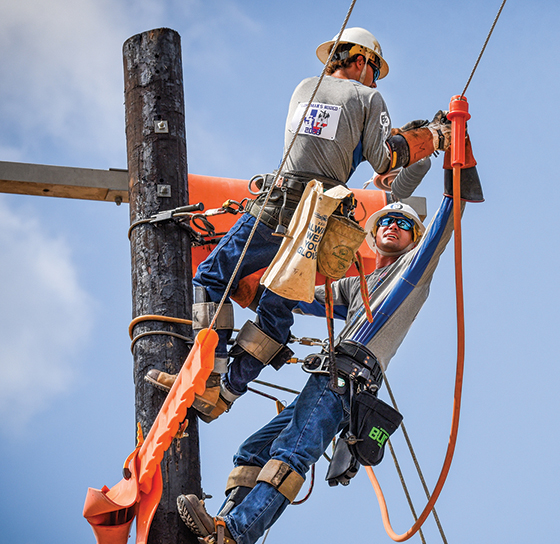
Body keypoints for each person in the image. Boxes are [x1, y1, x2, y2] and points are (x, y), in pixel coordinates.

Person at [176, 144, 482, 544]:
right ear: (373, 237)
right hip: (328, 377)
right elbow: (299, 297)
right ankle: (218, 529)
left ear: (414, 239)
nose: (393, 225)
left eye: (404, 224)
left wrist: (455, 157)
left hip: (349, 379)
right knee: (253, 451)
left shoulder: (414, 273)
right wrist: (246, 286)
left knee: (290, 454)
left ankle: (232, 538)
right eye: (387, 221)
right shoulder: (358, 285)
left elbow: (447, 222)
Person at [146, 27, 448, 422]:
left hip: (284, 199)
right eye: (374, 71)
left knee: (215, 279)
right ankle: (222, 388)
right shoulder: (369, 96)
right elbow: (384, 160)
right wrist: (433, 138)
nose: (376, 81)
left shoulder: (306, 87)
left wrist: (404, 139)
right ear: (361, 62)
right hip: (318, 219)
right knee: (258, 297)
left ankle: (211, 378)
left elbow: (334, 138)